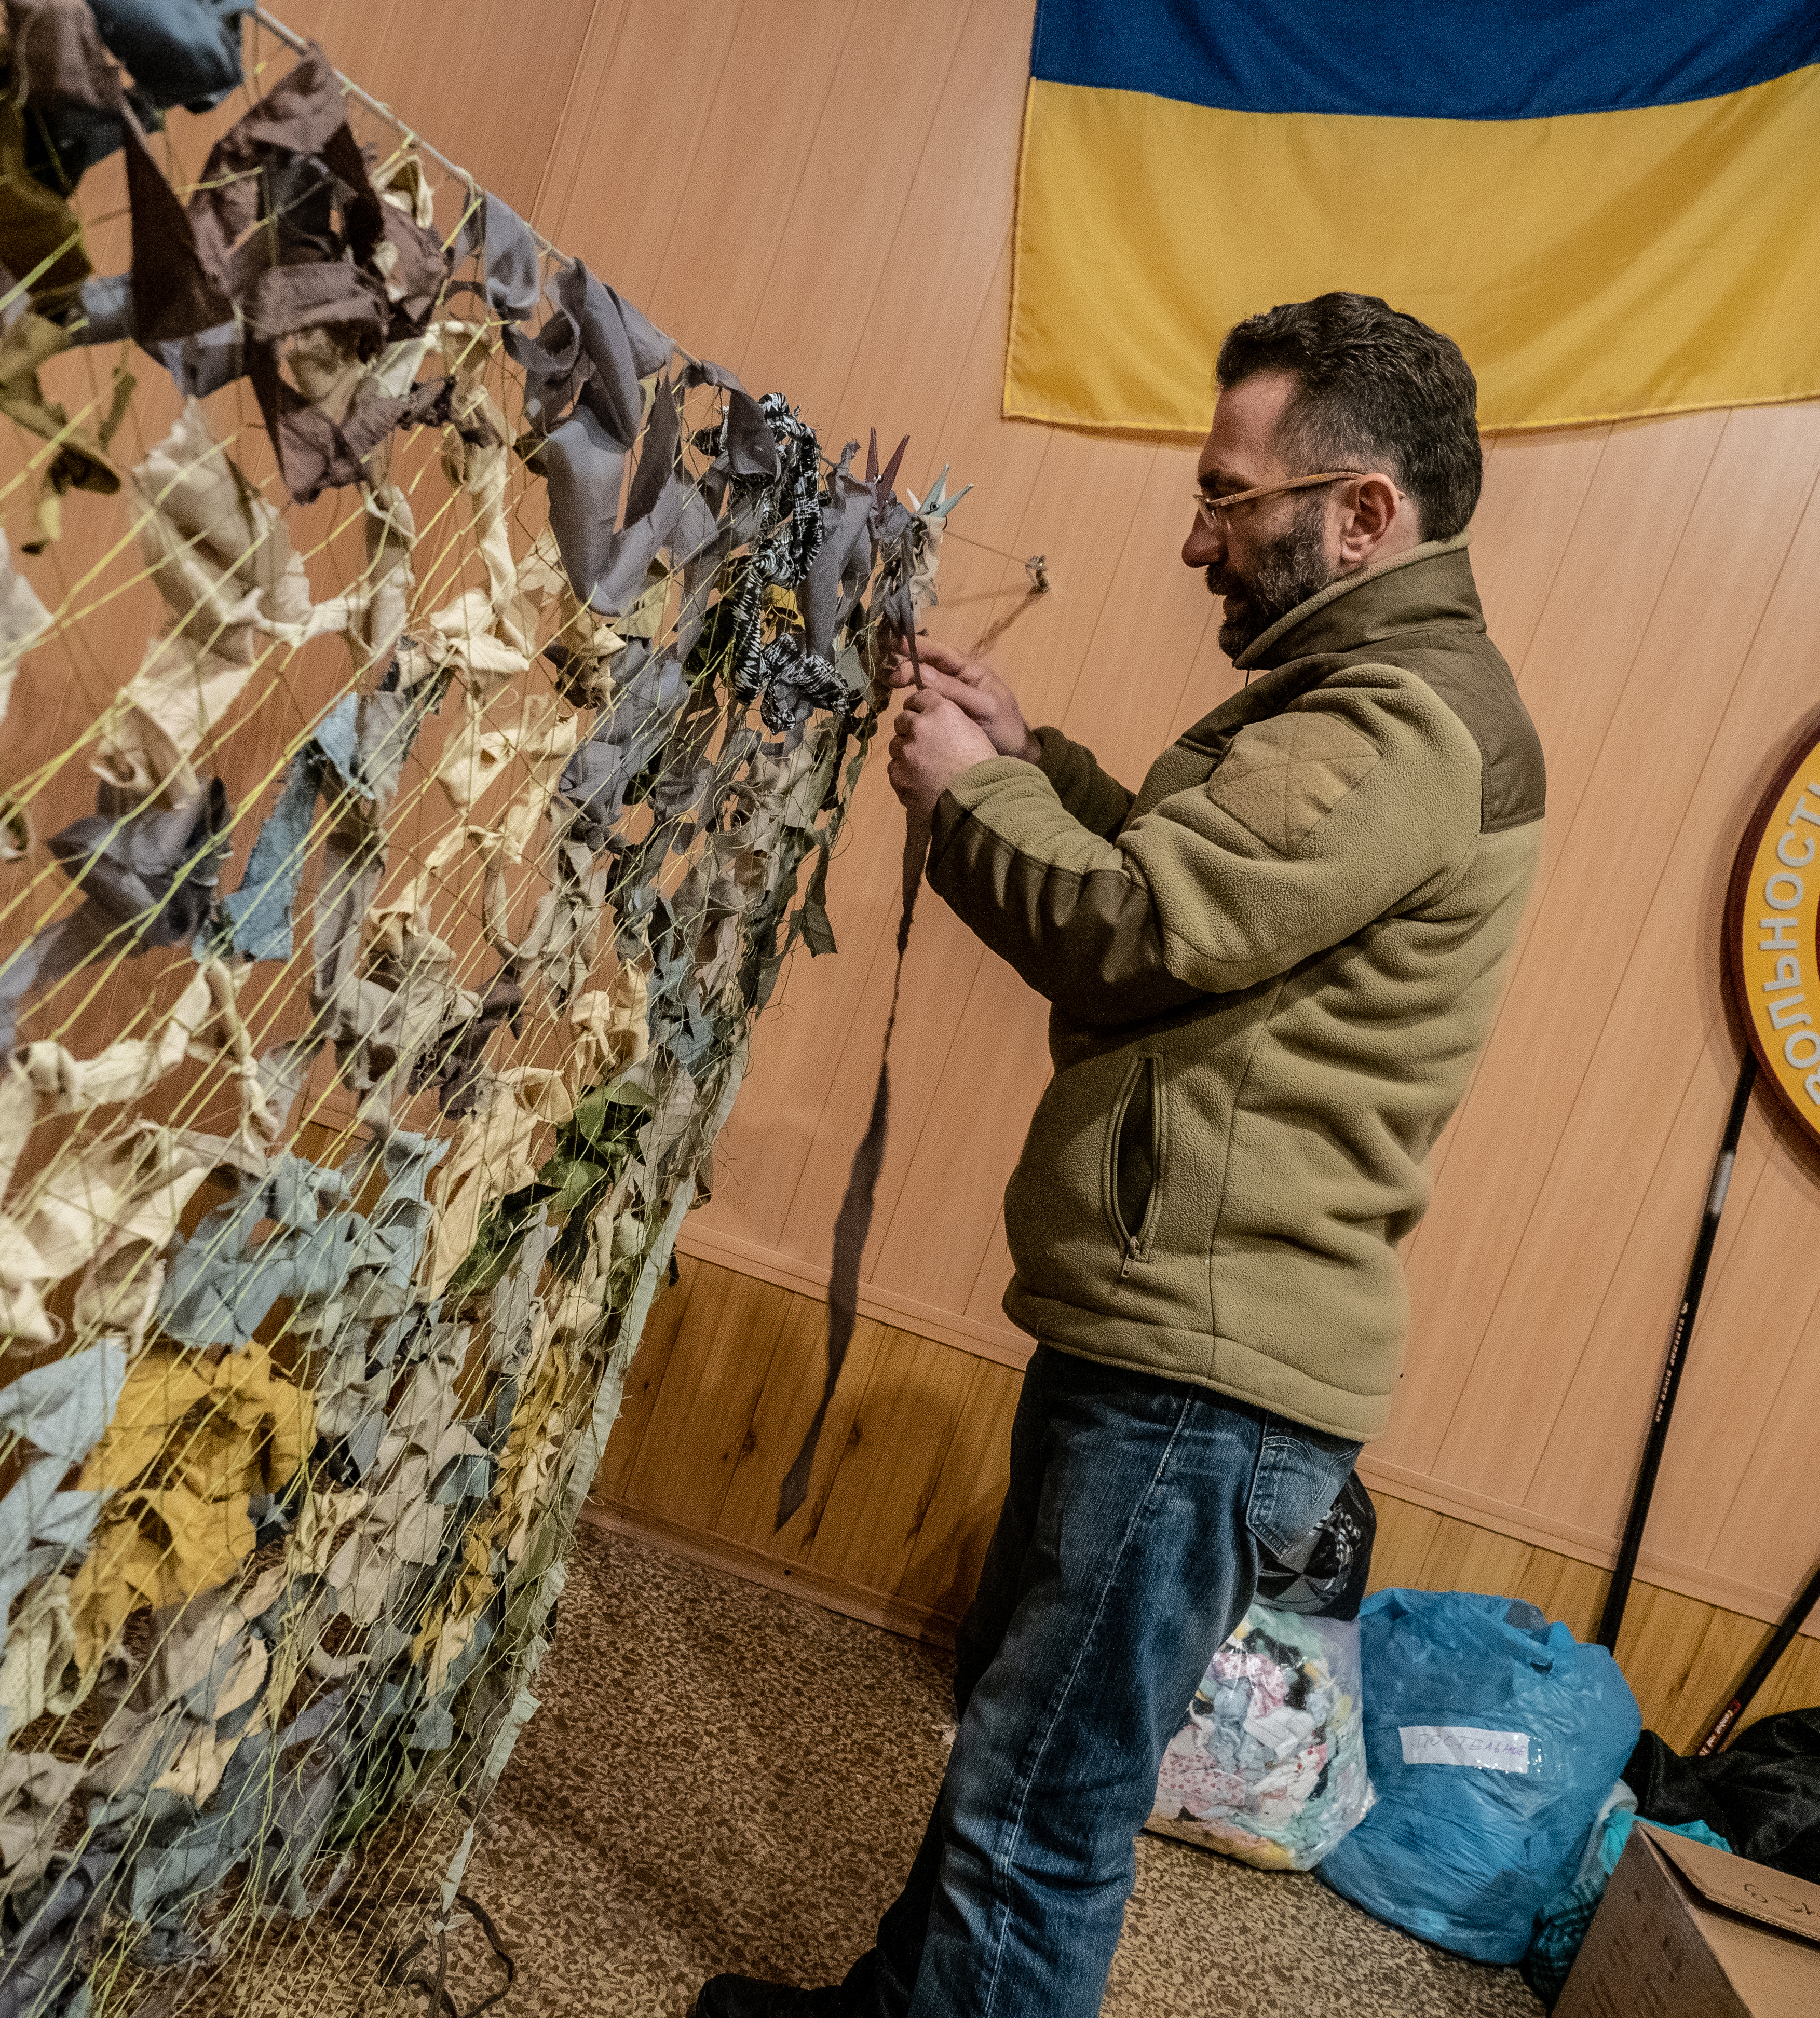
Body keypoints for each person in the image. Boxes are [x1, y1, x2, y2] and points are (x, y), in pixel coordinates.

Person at [694, 292, 1545, 2018]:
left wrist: (960, 801)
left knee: (1045, 1807)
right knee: (1021, 1744)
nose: (1198, 538)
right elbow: (1208, 872)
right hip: (1178, 1350)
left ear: (1364, 510)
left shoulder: (1394, 724)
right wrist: (1032, 761)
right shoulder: (1365, 699)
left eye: (1231, 498)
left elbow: (1145, 930)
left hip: (1205, 1378)